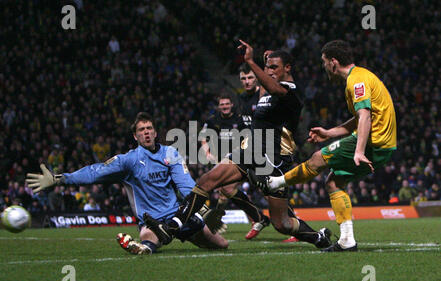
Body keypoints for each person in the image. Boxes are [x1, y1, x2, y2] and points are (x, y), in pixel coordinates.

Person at [142, 40, 332, 250]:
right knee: (207, 180)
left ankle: (318, 238)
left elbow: (274, 88)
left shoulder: (291, 93)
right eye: (268, 67)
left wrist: (250, 61)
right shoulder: (267, 91)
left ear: (288, 68)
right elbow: (265, 88)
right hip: (249, 150)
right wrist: (263, 63)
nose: (269, 71)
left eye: (274, 67)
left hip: (274, 160)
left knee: (282, 224)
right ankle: (171, 227)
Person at [249, 40, 397, 252]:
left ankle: (275, 183)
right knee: (333, 183)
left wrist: (359, 151)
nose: (323, 66)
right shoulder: (360, 78)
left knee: (318, 158)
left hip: (375, 141)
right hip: (385, 146)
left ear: (334, 62)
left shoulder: (357, 81)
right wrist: (330, 133)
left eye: (324, 62)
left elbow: (365, 117)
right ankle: (347, 241)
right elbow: (359, 119)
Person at [26, 112, 228, 255]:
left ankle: (152, 244)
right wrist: (60, 178)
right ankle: (144, 247)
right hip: (152, 221)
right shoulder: (128, 161)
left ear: (156, 132)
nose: (146, 132)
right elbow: (94, 172)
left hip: (179, 217)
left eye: (149, 128)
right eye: (142, 130)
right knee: (147, 244)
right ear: (135, 136)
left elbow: (186, 186)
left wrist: (203, 211)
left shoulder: (170, 153)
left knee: (222, 245)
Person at [201, 93, 270, 239]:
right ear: (218, 106)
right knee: (226, 190)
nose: (224, 107)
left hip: (243, 158)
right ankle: (258, 218)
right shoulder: (213, 121)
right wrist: (207, 152)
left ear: (232, 104)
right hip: (225, 161)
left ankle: (279, 219)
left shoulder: (241, 120)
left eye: (227, 104)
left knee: (266, 188)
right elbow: (203, 138)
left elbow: (249, 136)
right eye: (222, 104)